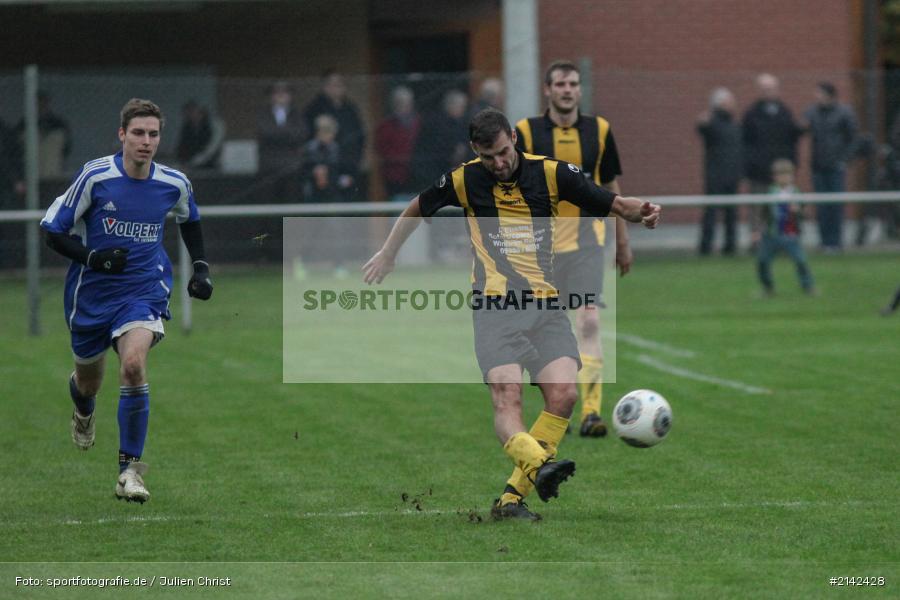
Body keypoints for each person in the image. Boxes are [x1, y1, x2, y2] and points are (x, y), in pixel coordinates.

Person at [363, 109, 660, 520]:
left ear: (513, 141)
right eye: (488, 158)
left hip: (545, 306)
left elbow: (611, 202)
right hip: (494, 306)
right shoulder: (465, 179)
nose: (498, 164)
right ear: (475, 152)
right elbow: (416, 208)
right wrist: (388, 253)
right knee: (508, 398)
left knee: (564, 395)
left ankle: (509, 500)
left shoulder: (552, 174)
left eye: (503, 153)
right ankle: (539, 467)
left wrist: (640, 211)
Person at [40, 99, 213, 503]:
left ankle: (128, 472)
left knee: (133, 366)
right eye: (138, 133)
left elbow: (191, 220)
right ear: (121, 135)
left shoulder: (173, 183)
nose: (146, 141)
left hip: (143, 291)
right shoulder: (95, 177)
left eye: (153, 134)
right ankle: (82, 407)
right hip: (92, 297)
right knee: (89, 382)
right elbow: (53, 230)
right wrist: (94, 258)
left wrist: (201, 268)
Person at [514, 60, 631, 438]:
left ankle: (592, 414)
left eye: (573, 84)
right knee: (542, 331)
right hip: (539, 249)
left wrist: (623, 240)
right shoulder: (526, 133)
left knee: (590, 319)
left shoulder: (599, 130)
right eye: (560, 84)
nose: (567, 89)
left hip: (587, 243)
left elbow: (611, 187)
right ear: (547, 90)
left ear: (580, 90)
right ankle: (556, 408)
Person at [804, 82, 858, 252]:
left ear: (829, 95)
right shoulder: (812, 112)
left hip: (836, 167)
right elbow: (801, 128)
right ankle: (824, 241)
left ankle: (836, 242)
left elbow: (853, 139)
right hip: (818, 167)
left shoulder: (844, 112)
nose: (816, 97)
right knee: (821, 206)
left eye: (819, 93)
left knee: (835, 206)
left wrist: (844, 160)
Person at [753, 159, 815, 296]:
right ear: (775, 177)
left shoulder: (797, 193)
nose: (784, 178)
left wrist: (798, 210)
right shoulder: (769, 193)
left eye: (787, 175)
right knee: (762, 261)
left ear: (792, 176)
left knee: (800, 261)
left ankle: (808, 287)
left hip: (791, 234)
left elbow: (805, 214)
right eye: (780, 175)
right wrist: (757, 230)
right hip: (771, 234)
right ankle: (767, 288)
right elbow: (762, 213)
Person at [303, 69, 366, 191]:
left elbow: (360, 137)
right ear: (324, 86)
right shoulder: (314, 109)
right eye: (332, 84)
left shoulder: (351, 109)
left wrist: (355, 162)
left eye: (340, 84)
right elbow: (309, 139)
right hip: (324, 170)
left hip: (349, 166)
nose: (337, 88)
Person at [697, 87, 742, 256]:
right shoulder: (711, 122)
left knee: (731, 213)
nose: (731, 105)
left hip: (732, 175)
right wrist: (702, 122)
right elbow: (702, 128)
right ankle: (705, 247)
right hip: (715, 175)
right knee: (711, 212)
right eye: (727, 101)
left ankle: (730, 246)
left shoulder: (735, 124)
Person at [742, 74, 804, 194]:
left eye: (771, 89)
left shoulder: (785, 111)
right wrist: (750, 166)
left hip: (782, 173)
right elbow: (745, 142)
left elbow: (791, 138)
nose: (768, 92)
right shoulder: (751, 114)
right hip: (759, 173)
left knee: (782, 209)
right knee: (759, 208)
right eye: (765, 89)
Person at [257, 81, 306, 202]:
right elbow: (265, 132)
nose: (280, 95)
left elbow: (300, 134)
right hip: (269, 167)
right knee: (268, 203)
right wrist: (287, 133)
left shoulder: (297, 114)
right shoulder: (263, 114)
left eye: (284, 92)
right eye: (276, 92)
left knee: (291, 202)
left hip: (291, 168)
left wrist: (277, 132)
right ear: (271, 96)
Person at [411, 89, 470, 190]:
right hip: (435, 172)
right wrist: (454, 152)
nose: (463, 110)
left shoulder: (461, 123)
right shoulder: (436, 124)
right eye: (461, 107)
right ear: (451, 106)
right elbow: (435, 148)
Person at [374, 86, 421, 200]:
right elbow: (381, 149)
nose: (405, 106)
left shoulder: (418, 123)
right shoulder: (386, 125)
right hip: (394, 175)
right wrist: (399, 159)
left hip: (417, 173)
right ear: (395, 104)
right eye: (401, 103)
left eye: (408, 102)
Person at [16, 91, 72, 179]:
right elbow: (16, 145)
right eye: (38, 104)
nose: (41, 107)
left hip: (51, 169)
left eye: (43, 104)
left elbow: (66, 147)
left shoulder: (57, 123)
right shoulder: (25, 123)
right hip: (32, 167)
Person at [176, 100, 225, 169]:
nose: (191, 116)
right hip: (191, 165)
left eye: (192, 112)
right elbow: (182, 146)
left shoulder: (212, 125)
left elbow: (212, 148)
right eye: (188, 114)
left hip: (211, 164)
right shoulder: (187, 127)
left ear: (200, 112)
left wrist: (197, 160)